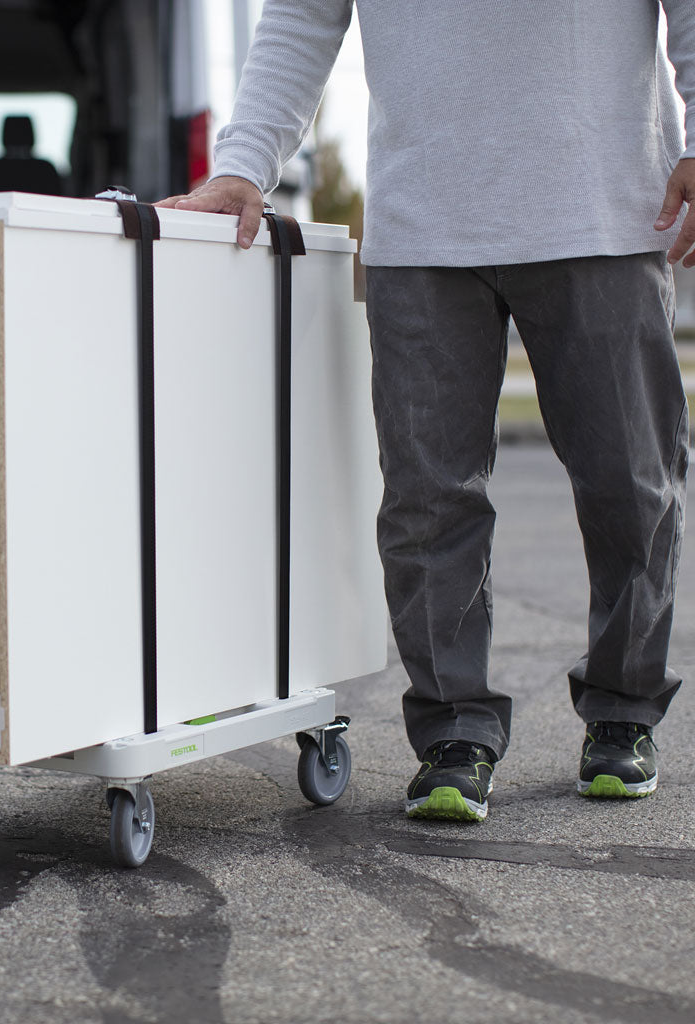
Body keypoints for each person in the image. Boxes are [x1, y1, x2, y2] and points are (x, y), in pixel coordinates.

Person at [158, 0, 695, 822]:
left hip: (604, 211)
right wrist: (244, 165)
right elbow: (302, 18)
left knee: (633, 483)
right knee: (425, 499)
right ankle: (454, 729)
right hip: (424, 227)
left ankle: (624, 710)